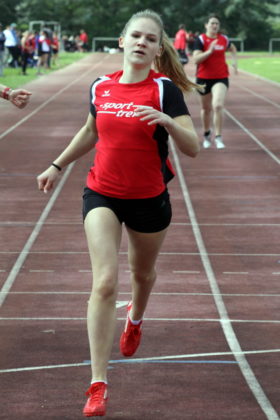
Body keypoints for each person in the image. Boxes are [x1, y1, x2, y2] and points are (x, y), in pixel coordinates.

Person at [36, 9, 200, 417]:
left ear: (158, 48)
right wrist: (56, 166)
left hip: (148, 198)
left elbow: (192, 146)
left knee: (142, 275)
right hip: (101, 193)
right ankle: (97, 383)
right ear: (122, 41)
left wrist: (168, 121)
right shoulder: (100, 87)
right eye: (136, 36)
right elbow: (92, 130)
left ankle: (137, 317)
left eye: (151, 38)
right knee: (105, 282)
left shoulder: (164, 91)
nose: (142, 42)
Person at [193, 13, 238, 149]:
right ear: (206, 25)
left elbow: (233, 48)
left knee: (217, 105)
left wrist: (234, 62)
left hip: (221, 77)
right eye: (212, 23)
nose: (215, 26)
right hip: (203, 78)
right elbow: (196, 59)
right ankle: (207, 134)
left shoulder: (223, 39)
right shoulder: (200, 39)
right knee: (205, 109)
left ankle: (218, 136)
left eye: (217, 24)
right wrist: (209, 51)